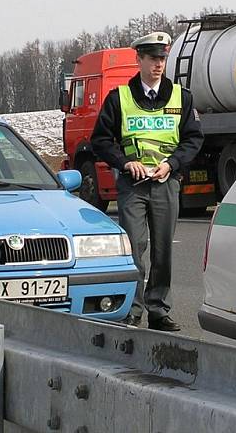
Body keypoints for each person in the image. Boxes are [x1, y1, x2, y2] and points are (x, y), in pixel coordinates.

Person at [91, 31, 204, 331]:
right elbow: (100, 140)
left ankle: (158, 310)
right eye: (152, 58)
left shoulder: (182, 97)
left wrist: (172, 164)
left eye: (162, 59)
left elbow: (193, 138)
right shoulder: (119, 98)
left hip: (166, 183)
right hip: (133, 186)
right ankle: (133, 309)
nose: (158, 65)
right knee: (134, 248)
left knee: (163, 250)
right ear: (138, 60)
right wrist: (125, 162)